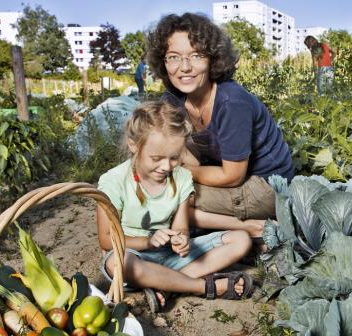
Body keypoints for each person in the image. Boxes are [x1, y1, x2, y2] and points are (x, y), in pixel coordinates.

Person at [146, 13, 294, 238]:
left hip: (266, 185)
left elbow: (232, 176)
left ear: (212, 59)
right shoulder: (173, 100)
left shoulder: (231, 102)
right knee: (159, 185)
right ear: (163, 62)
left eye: (196, 55)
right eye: (174, 57)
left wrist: (181, 173)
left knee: (166, 196)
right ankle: (234, 228)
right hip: (220, 174)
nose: (185, 67)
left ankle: (254, 228)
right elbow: (173, 151)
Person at [96, 100, 254, 311]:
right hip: (135, 256)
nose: (166, 166)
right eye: (156, 158)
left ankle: (167, 286)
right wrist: (148, 242)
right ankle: (202, 286)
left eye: (174, 158)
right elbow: (107, 240)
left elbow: (181, 226)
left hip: (170, 256)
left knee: (241, 239)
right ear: (134, 145)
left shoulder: (181, 177)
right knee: (117, 262)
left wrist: (181, 239)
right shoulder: (113, 181)